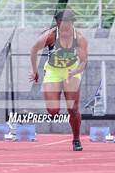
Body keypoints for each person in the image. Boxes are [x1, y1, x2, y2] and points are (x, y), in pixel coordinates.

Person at [30, 9, 88, 151]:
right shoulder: (49, 36)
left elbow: (83, 61)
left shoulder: (79, 38)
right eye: (64, 24)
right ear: (58, 23)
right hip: (53, 71)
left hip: (71, 71)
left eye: (69, 24)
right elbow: (33, 50)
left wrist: (75, 71)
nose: (66, 28)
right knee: (53, 110)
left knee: (73, 109)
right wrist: (35, 71)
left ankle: (76, 139)